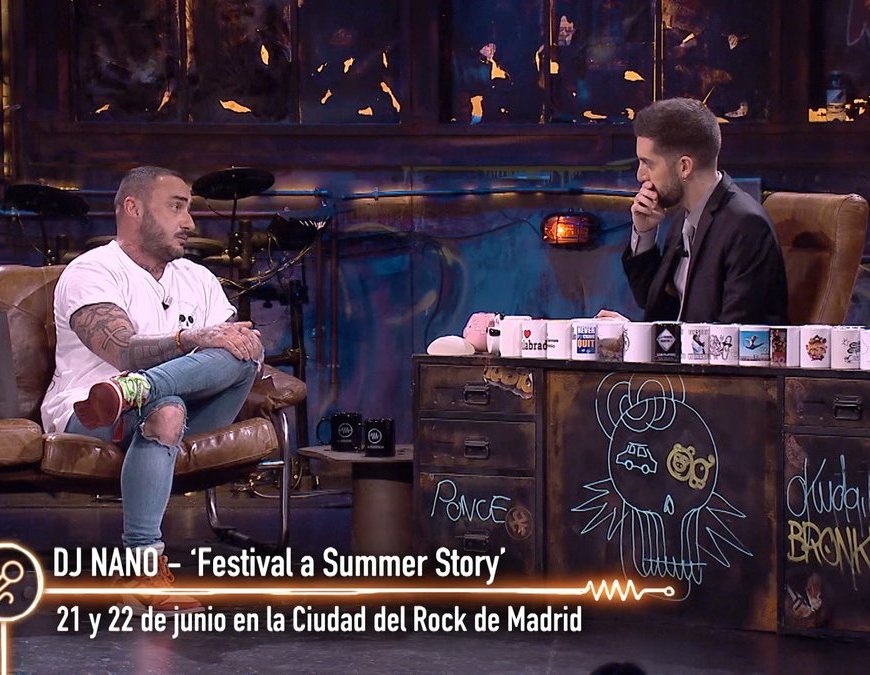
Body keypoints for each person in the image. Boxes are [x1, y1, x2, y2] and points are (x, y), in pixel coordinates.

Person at [41, 166, 264, 613]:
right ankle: (142, 568)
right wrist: (191, 339)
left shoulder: (197, 278)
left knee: (244, 356)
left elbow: (238, 345)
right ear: (133, 208)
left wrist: (244, 344)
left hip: (185, 406)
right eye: (176, 207)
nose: (190, 222)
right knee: (165, 410)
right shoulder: (92, 271)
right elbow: (122, 350)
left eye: (190, 209)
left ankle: (140, 389)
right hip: (90, 409)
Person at [599, 97, 788, 324]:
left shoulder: (746, 227)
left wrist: (637, 337)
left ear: (684, 167)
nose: (640, 175)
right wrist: (645, 233)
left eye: (648, 163)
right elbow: (655, 305)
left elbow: (733, 337)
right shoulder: (684, 218)